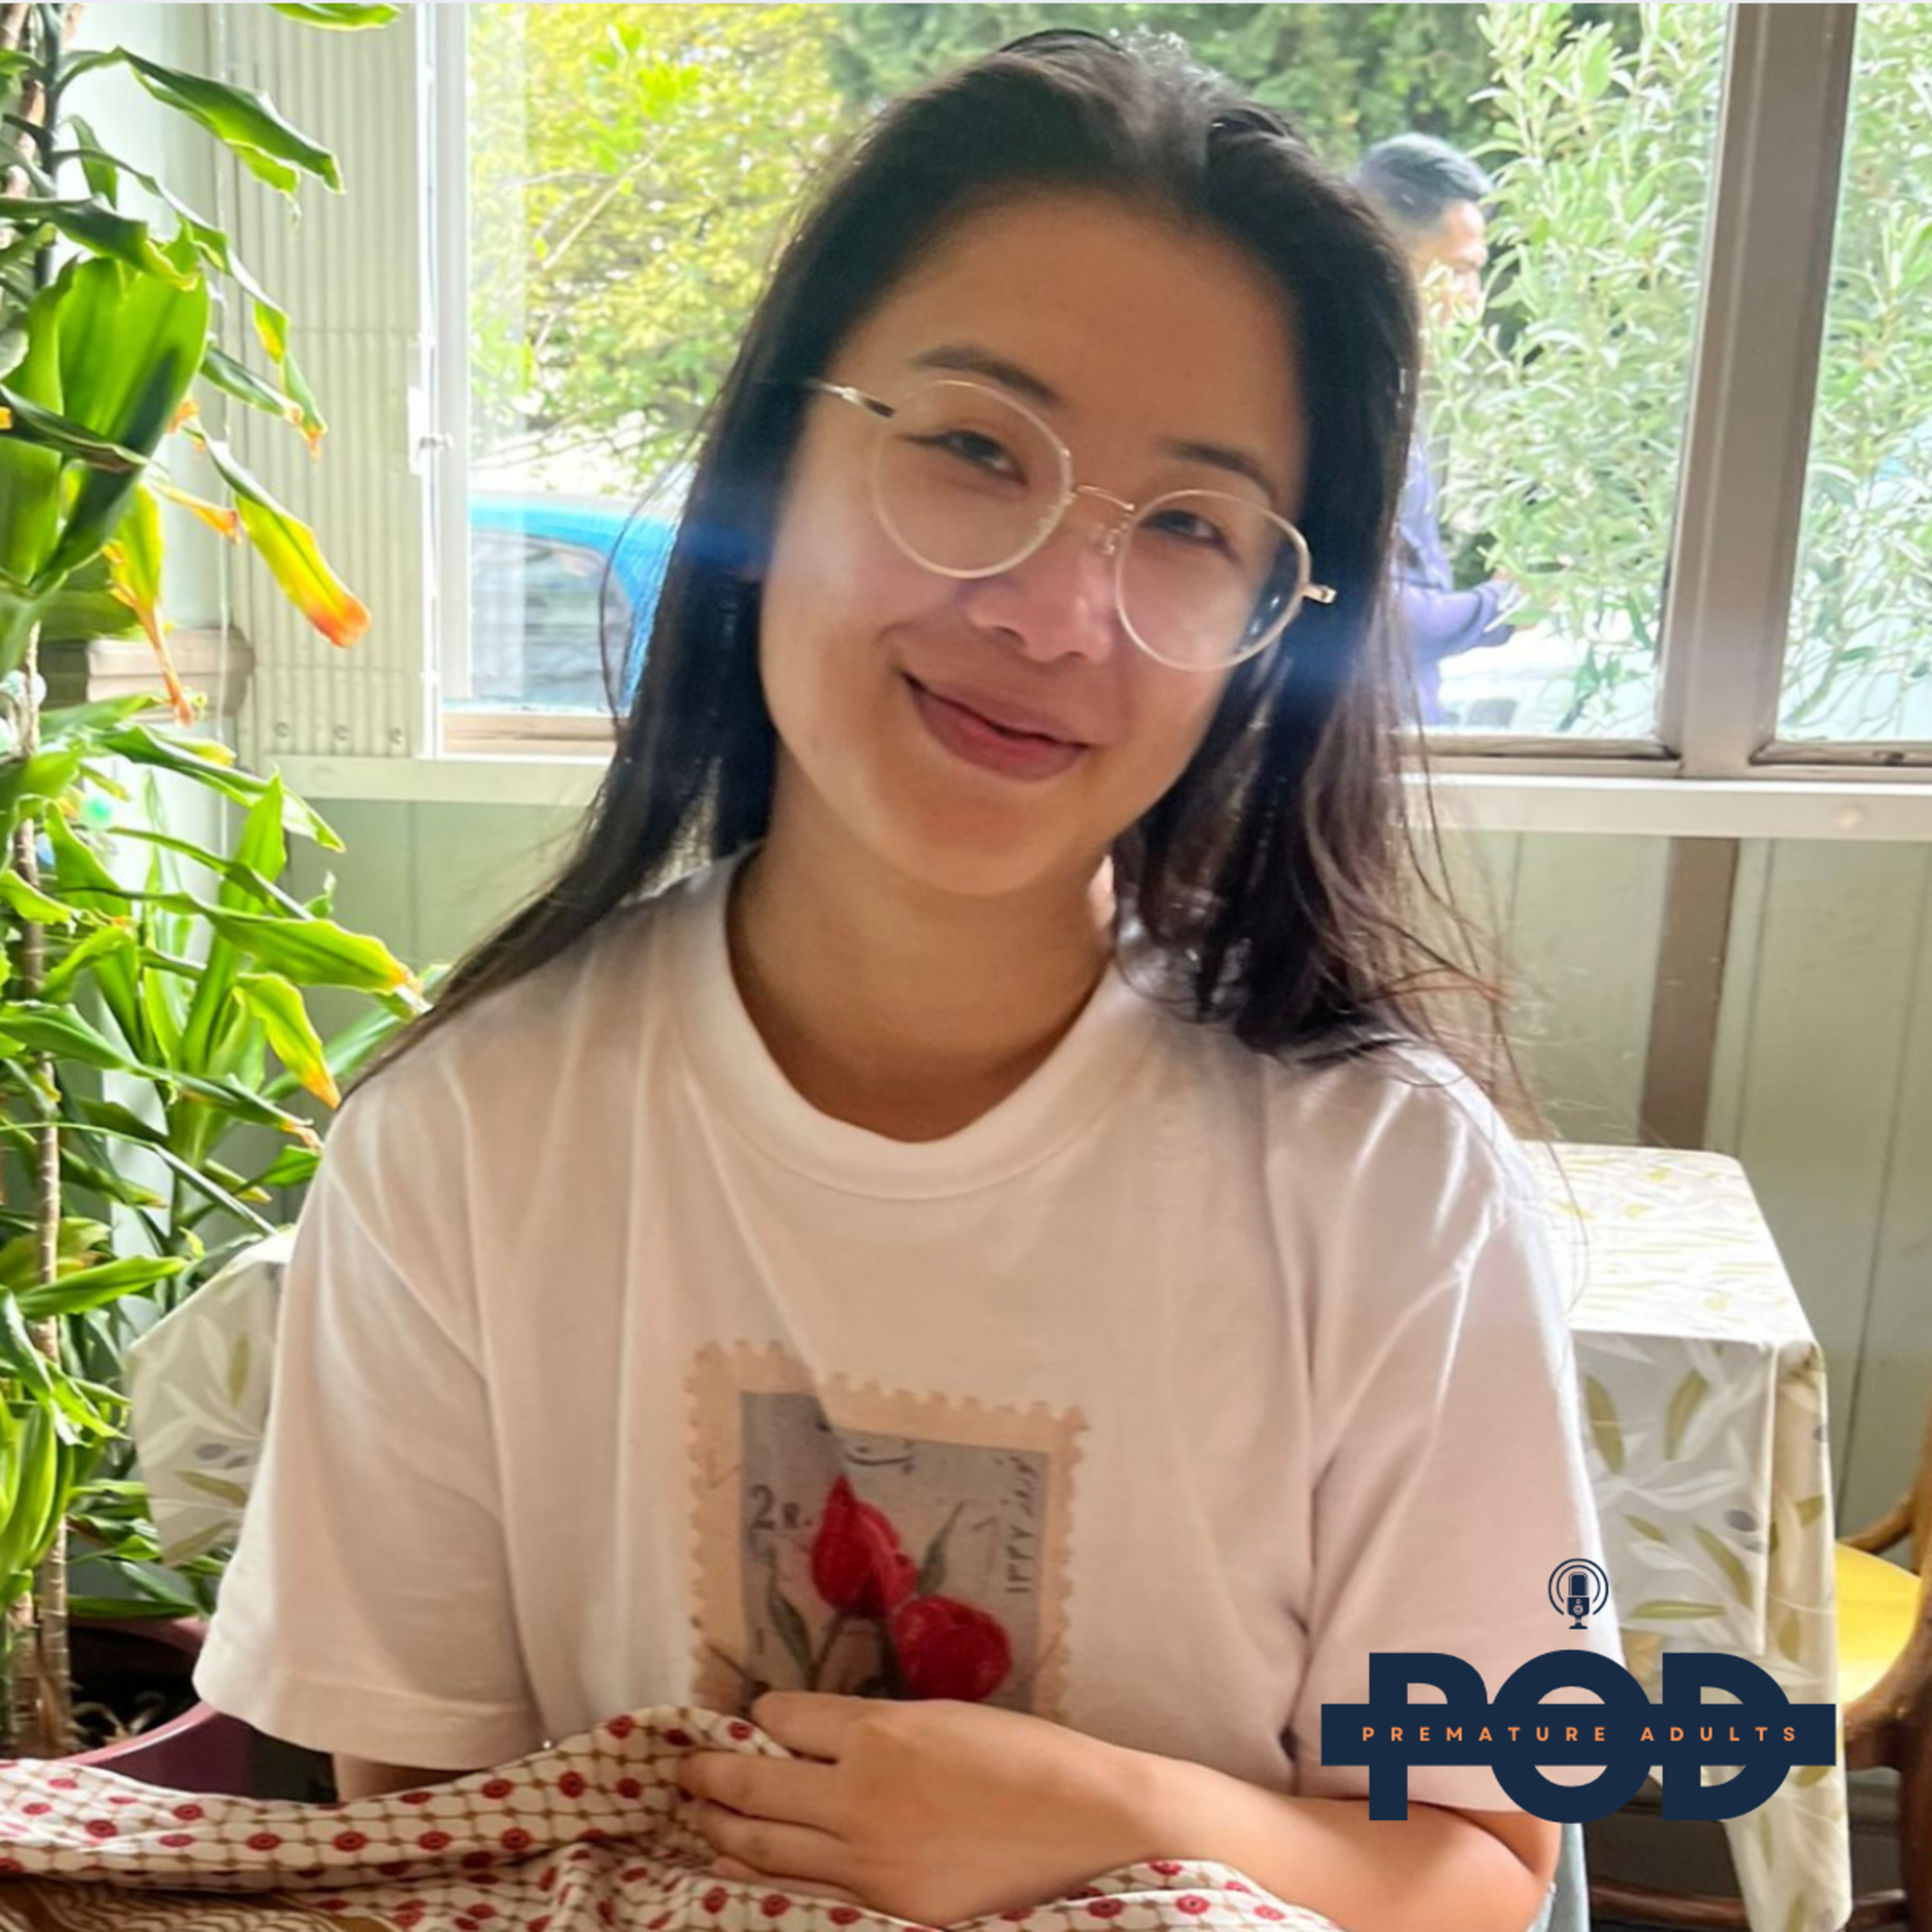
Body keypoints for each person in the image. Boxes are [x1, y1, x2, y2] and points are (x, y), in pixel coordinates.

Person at [195, 32, 1616, 1932]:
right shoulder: (461, 1138)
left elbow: (1482, 1862)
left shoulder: (1393, 1190)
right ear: (774, 461)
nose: (1053, 611)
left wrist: (1106, 1811)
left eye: (1187, 528)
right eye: (971, 449)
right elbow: (440, 1839)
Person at [1354, 133, 1520, 726]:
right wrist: (1503, 606)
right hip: (1356, 744)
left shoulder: (1390, 390)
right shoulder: (1348, 405)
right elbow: (1362, 613)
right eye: (1461, 272)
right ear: (1389, 262)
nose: (1474, 301)